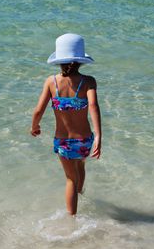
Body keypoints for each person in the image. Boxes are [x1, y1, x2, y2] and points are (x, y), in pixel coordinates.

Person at [30, 33, 102, 215]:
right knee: (80, 167)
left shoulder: (51, 82)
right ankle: (80, 195)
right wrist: (99, 136)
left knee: (70, 178)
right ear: (81, 60)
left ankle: (72, 221)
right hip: (85, 139)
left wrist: (35, 127)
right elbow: (93, 106)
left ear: (59, 60)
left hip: (63, 142)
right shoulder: (88, 81)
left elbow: (38, 110)